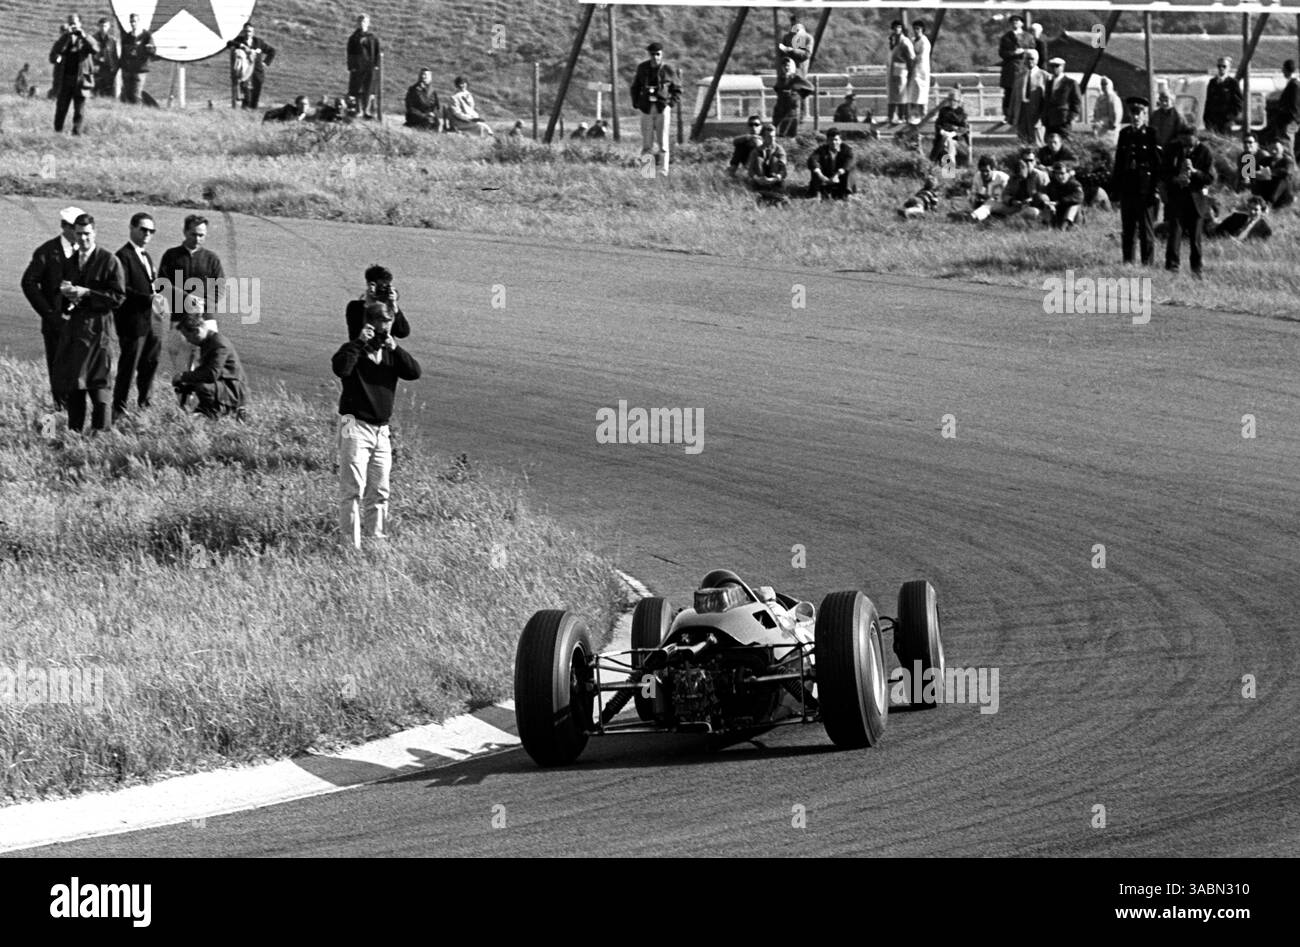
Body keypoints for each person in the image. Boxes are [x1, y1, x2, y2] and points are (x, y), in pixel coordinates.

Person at [332, 302, 422, 549]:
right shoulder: (353, 350)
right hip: (353, 424)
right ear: (370, 325)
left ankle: (377, 542)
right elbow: (341, 368)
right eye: (381, 328)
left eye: (388, 328)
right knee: (352, 489)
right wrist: (360, 343)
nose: (385, 334)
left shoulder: (392, 354)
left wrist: (396, 347)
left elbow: (414, 372)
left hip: (381, 429)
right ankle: (351, 546)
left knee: (380, 490)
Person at [52, 213, 125, 433]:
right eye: (79, 234)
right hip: (75, 331)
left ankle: (100, 436)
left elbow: (118, 297)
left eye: (87, 234)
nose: (83, 239)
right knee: (76, 385)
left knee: (99, 385)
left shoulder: (109, 260)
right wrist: (66, 294)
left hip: (99, 329)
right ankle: (74, 433)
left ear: (94, 233)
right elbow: (62, 297)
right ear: (73, 233)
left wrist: (87, 293)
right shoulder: (71, 261)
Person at [21, 206, 85, 406]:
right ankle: (60, 411)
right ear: (64, 226)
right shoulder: (47, 252)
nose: (80, 234)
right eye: (76, 229)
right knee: (58, 371)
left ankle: (75, 412)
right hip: (55, 324)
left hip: (80, 322)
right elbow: (28, 283)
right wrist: (49, 314)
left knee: (79, 371)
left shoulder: (86, 252)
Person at [158, 215, 226, 383]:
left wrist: (205, 304)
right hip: (179, 319)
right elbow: (161, 285)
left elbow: (220, 287)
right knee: (181, 367)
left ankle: (203, 405)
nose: (197, 239)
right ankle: (182, 405)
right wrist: (186, 299)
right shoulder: (171, 256)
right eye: (193, 234)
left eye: (201, 235)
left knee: (208, 365)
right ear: (185, 232)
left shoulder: (212, 259)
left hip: (206, 320)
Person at [112, 212, 164, 419]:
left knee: (150, 363)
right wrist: (148, 299)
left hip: (152, 319)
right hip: (132, 322)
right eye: (143, 229)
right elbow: (122, 290)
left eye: (151, 231)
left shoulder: (147, 256)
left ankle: (145, 404)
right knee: (129, 366)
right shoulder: (123, 256)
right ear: (132, 228)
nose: (147, 234)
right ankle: (119, 408)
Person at [1111, 97, 1162, 265]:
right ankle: (1128, 261)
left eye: (1139, 113)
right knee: (1128, 229)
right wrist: (1116, 190)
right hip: (1128, 187)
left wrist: (1155, 190)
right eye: (1133, 113)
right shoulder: (1124, 134)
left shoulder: (1152, 134)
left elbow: (1157, 165)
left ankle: (1147, 262)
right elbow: (1119, 163)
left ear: (1145, 115)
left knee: (1146, 229)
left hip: (1145, 188)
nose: (1136, 117)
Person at [171, 311, 249, 419]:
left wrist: (183, 376)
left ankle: (220, 412)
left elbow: (212, 374)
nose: (188, 341)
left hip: (233, 390)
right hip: (222, 385)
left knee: (202, 386)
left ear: (197, 331)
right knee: (186, 384)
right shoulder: (208, 342)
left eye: (187, 336)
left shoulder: (219, 344)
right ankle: (198, 410)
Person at [1163, 128, 1216, 276]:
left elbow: (1210, 178)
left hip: (1196, 199)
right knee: (1175, 234)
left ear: (1196, 138)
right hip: (1177, 198)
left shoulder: (1205, 152)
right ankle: (1172, 267)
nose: (1185, 144)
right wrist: (1175, 179)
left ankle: (1197, 268)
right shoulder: (1173, 149)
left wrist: (1194, 172)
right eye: (1183, 140)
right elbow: (1164, 173)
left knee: (1195, 237)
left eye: (1189, 140)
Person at [630, 42, 680, 175]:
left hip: (662, 107)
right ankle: (647, 172)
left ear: (661, 54)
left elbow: (677, 89)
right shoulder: (642, 68)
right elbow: (635, 87)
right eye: (652, 54)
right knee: (647, 143)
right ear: (649, 54)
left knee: (663, 141)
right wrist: (636, 103)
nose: (655, 57)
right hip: (646, 108)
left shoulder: (668, 69)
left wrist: (670, 104)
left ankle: (663, 171)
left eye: (657, 54)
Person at [49, 15, 98, 135]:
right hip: (65, 80)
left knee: (79, 110)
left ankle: (77, 134)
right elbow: (53, 56)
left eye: (75, 23)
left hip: (81, 81)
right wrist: (66, 37)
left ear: (80, 24)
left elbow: (95, 49)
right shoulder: (64, 39)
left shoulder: (86, 39)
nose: (73, 25)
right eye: (70, 23)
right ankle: (57, 132)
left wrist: (84, 36)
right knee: (61, 108)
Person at [345, 265, 412, 342]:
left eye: (385, 288)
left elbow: (403, 333)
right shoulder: (354, 307)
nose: (382, 291)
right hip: (362, 351)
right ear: (369, 284)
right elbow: (355, 334)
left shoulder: (388, 307)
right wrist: (370, 303)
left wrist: (394, 306)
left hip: (384, 352)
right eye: (380, 287)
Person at [227, 23, 276, 109]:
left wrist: (265, 63)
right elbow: (229, 43)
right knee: (247, 97)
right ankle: (245, 112)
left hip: (257, 73)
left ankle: (252, 114)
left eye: (249, 31)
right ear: (243, 32)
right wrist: (241, 46)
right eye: (245, 31)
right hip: (245, 74)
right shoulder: (239, 40)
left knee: (255, 98)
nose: (247, 33)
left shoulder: (258, 42)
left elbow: (272, 51)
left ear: (253, 32)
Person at [806, 128, 855, 200]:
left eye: (836, 140)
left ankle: (847, 194)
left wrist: (837, 175)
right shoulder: (821, 150)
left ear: (840, 141)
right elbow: (812, 160)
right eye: (831, 140)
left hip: (840, 178)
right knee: (815, 169)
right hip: (825, 178)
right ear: (827, 141)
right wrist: (821, 176)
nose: (833, 142)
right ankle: (816, 194)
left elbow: (849, 162)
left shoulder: (847, 150)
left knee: (849, 170)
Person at [346, 14, 380, 119]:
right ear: (357, 23)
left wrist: (376, 65)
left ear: (368, 23)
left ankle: (367, 111)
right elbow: (350, 53)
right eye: (360, 21)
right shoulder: (353, 38)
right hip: (357, 67)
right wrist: (351, 66)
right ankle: (358, 110)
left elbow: (377, 52)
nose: (362, 23)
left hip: (369, 68)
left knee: (369, 89)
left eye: (364, 21)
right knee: (357, 89)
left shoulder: (372, 37)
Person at [998, 15, 1029, 122]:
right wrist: (1013, 53)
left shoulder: (1028, 37)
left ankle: (1022, 115)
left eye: (1017, 21)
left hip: (1024, 68)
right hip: (1010, 69)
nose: (1015, 23)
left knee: (1025, 92)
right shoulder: (1005, 37)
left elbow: (1034, 50)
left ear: (1022, 23)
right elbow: (1001, 53)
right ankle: (1007, 116)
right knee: (1009, 93)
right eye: (1013, 21)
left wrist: (1024, 52)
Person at [772, 56, 813, 138]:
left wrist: (797, 96)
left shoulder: (796, 78)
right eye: (784, 66)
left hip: (792, 112)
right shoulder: (781, 79)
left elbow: (810, 88)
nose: (786, 68)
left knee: (790, 135)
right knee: (778, 134)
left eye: (788, 65)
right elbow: (777, 89)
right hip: (780, 111)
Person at [1248, 138, 1295, 209]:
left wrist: (1269, 173)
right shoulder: (1265, 160)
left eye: (1276, 148)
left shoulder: (1288, 161)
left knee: (1284, 178)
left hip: (1281, 197)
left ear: (1282, 148)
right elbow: (1253, 172)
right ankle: (1257, 201)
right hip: (1266, 193)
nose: (1273, 151)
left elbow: (1287, 172)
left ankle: (1269, 204)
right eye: (1271, 148)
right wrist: (1256, 174)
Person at [1013, 49, 1047, 146]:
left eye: (1031, 59)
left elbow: (1047, 99)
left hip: (1037, 112)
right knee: (1023, 141)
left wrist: (1043, 116)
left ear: (1037, 60)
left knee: (1037, 141)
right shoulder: (1019, 76)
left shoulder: (1044, 76)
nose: (1029, 61)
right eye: (1026, 59)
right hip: (1022, 111)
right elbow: (1014, 98)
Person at [1041, 57, 1081, 139]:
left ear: (1062, 67)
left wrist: (1070, 117)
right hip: (1049, 120)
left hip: (1063, 120)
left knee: (1064, 143)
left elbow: (1077, 102)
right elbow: (1046, 101)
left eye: (1057, 66)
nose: (1054, 68)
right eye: (1052, 66)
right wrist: (1044, 116)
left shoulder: (1070, 83)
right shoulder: (1049, 83)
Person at [119, 13, 155, 105]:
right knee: (127, 95)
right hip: (127, 70)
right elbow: (123, 54)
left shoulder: (146, 36)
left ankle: (137, 115)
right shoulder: (127, 37)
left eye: (134, 21)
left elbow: (153, 52)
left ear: (139, 21)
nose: (133, 24)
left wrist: (150, 48)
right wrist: (122, 67)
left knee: (136, 96)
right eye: (131, 22)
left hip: (140, 70)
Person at [1267, 59, 1300, 152]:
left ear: (1286, 70)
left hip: (1288, 123)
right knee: (1284, 149)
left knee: (1287, 149)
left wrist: (1287, 122)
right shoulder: (1293, 84)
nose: (1282, 72)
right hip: (1287, 122)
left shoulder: (1294, 85)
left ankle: (1291, 166)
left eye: (1283, 69)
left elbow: (1294, 107)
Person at [745, 122, 788, 194]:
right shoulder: (756, 151)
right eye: (769, 137)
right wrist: (757, 179)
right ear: (763, 137)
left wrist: (775, 178)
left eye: (773, 136)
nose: (772, 139)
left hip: (774, 180)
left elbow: (783, 171)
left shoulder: (780, 150)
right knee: (759, 160)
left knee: (775, 159)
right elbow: (750, 170)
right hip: (760, 180)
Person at [1203, 57, 1241, 135]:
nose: (1221, 68)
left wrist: (1230, 118)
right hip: (1212, 121)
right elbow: (1208, 101)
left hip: (1225, 122)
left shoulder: (1233, 83)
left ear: (1229, 68)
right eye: (1219, 66)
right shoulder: (1212, 82)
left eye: (1224, 66)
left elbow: (1238, 103)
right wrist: (1206, 118)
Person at [930, 89, 968, 165]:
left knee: (948, 141)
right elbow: (938, 124)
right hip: (943, 137)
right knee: (946, 140)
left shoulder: (961, 112)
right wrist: (942, 131)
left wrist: (952, 133)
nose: (952, 102)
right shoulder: (943, 111)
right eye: (950, 100)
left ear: (958, 101)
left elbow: (964, 129)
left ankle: (932, 160)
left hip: (957, 140)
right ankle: (949, 169)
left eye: (954, 100)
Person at [1041, 162, 1085, 229]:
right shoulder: (1051, 185)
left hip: (1074, 217)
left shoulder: (1074, 184)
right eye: (1057, 173)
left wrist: (1059, 202)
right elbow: (1043, 194)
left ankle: (1066, 226)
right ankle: (1048, 227)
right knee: (1047, 205)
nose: (1059, 176)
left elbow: (1079, 197)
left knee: (1075, 205)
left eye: (1062, 173)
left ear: (1067, 173)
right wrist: (1046, 201)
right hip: (1059, 214)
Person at [886, 20, 913, 125]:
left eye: (899, 27)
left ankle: (902, 116)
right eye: (895, 27)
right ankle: (891, 116)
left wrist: (910, 72)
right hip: (892, 71)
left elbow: (911, 58)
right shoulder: (892, 41)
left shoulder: (905, 42)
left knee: (901, 94)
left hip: (901, 70)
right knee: (892, 95)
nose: (897, 29)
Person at [905, 20, 932, 125]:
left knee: (921, 95)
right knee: (912, 94)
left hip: (922, 72)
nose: (916, 31)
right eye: (915, 28)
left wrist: (912, 58)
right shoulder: (912, 40)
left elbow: (920, 57)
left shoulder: (925, 43)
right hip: (914, 72)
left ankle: (922, 117)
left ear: (922, 30)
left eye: (918, 29)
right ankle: (912, 116)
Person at [968, 155, 1009, 221]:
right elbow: (974, 191)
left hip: (1003, 204)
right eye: (982, 171)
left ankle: (974, 217)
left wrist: (991, 198)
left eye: (987, 171)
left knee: (990, 203)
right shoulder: (977, 176)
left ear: (993, 169)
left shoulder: (1002, 178)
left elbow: (1008, 196)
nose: (984, 173)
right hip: (985, 203)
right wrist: (974, 198)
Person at [91, 17, 118, 98]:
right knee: (96, 88)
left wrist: (114, 67)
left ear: (109, 26)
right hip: (96, 67)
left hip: (108, 68)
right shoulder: (93, 39)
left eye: (105, 26)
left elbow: (114, 55)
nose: (103, 28)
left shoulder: (112, 40)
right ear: (98, 26)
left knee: (107, 88)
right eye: (101, 26)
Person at [1092, 76, 1123, 147]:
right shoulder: (1100, 98)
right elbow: (1096, 112)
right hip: (1100, 129)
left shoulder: (1114, 98)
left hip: (1110, 130)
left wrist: (1114, 123)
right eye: (1102, 84)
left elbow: (1117, 112)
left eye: (1105, 84)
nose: (1103, 86)